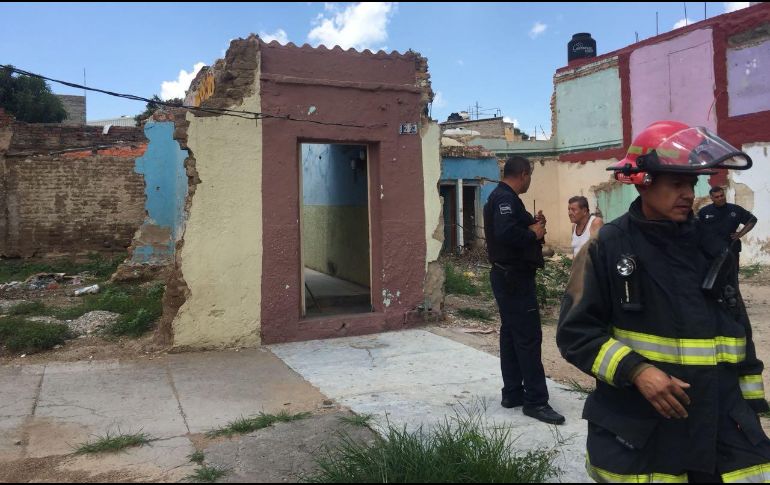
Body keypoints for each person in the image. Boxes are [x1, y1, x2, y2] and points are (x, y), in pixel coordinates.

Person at [557, 120, 768, 482]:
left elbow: (738, 333)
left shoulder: (712, 246)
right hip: (647, 431)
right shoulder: (607, 247)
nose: (688, 193)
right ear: (644, 181)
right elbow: (576, 333)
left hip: (722, 428)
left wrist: (749, 410)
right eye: (676, 183)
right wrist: (637, 371)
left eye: (692, 183)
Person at [483, 155, 566, 425]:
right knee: (529, 338)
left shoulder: (502, 197)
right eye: (530, 175)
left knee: (511, 335)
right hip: (514, 278)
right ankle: (536, 401)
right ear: (523, 174)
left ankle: (513, 393)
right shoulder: (505, 198)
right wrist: (534, 234)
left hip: (508, 275)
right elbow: (507, 232)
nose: (529, 180)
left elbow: (514, 228)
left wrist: (533, 224)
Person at [698, 186, 757, 267]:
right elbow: (696, 228)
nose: (720, 198)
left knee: (732, 276)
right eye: (717, 197)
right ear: (712, 198)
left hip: (731, 249)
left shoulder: (735, 209)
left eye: (722, 195)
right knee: (713, 277)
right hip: (710, 252)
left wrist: (740, 234)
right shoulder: (704, 212)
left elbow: (752, 220)